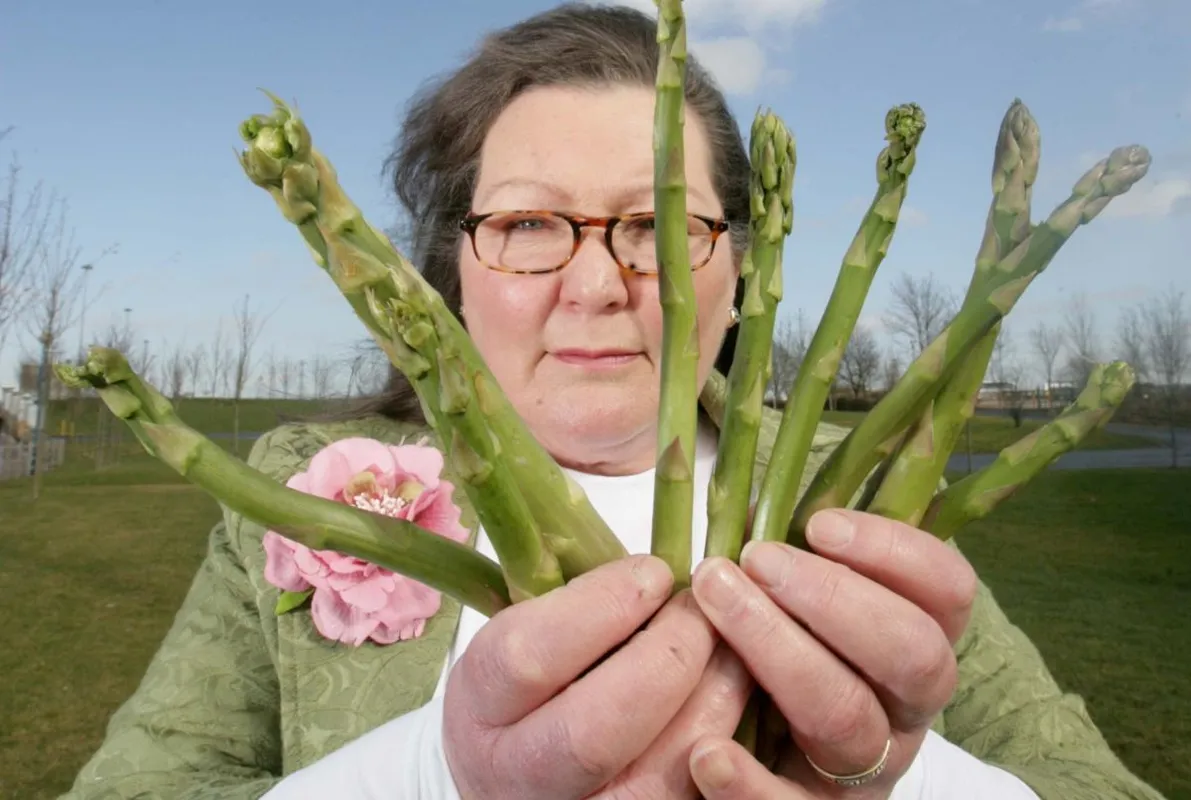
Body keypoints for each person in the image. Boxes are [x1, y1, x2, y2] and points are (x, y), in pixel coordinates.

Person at [62, 4, 1165, 799]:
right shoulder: (292, 492)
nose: (598, 283)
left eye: (657, 223)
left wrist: (914, 783)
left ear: (742, 268)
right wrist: (427, 775)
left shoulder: (864, 492)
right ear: (449, 269)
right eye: (532, 223)